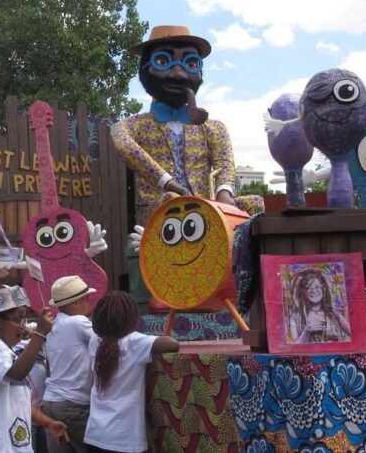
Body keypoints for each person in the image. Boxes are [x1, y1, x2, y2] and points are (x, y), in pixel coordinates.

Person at [111, 25, 263, 224]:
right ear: (146, 68)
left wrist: (224, 193)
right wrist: (171, 185)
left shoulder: (213, 127)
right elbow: (127, 148)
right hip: (159, 207)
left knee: (255, 202)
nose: (179, 75)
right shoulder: (131, 126)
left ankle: (238, 253)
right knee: (173, 202)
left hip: (207, 204)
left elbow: (224, 162)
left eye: (190, 63)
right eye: (163, 61)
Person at [0, 286, 68, 452]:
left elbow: (17, 402)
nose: (23, 327)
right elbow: (18, 373)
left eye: (24, 320)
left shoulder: (3, 350)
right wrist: (40, 334)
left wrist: (48, 422)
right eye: (18, 320)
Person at [84, 291, 179, 453]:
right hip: (124, 440)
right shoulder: (135, 342)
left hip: (95, 434)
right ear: (132, 319)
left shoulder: (95, 341)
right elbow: (172, 344)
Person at [42, 275, 97, 453]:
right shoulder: (78, 322)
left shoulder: (52, 326)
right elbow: (105, 342)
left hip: (50, 402)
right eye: (86, 299)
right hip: (73, 404)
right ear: (74, 304)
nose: (89, 303)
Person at [288, 269, 351, 343]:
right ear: (303, 292)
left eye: (317, 287)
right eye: (308, 287)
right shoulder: (296, 317)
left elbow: (354, 334)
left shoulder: (334, 314)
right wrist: (306, 331)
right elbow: (294, 347)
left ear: (323, 290)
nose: (313, 291)